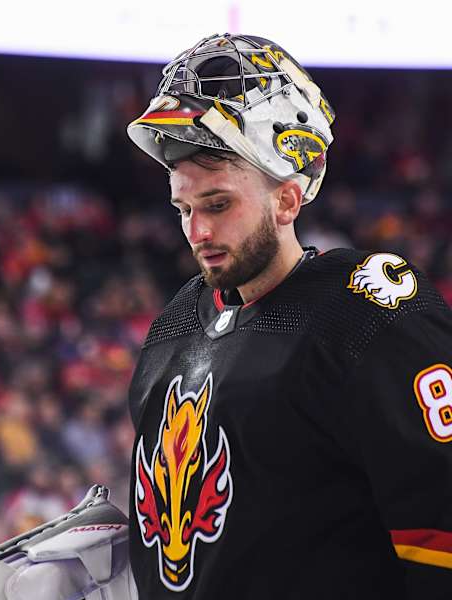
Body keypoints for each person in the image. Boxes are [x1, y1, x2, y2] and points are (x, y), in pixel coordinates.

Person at [126, 33, 452, 599]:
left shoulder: (366, 314)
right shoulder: (174, 326)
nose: (197, 232)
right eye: (184, 208)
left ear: (287, 199)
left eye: (219, 204)